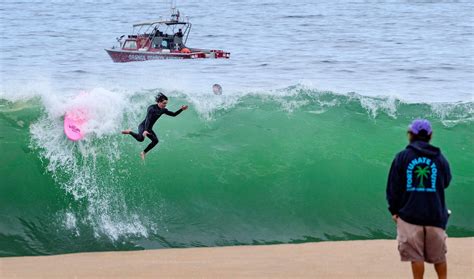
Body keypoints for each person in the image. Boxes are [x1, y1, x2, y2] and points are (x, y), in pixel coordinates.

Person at [386, 119, 452, 279]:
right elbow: (446, 182)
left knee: (416, 257)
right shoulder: (440, 158)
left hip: (410, 215)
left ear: (410, 134)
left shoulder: (402, 157)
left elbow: (393, 187)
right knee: (439, 256)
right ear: (430, 135)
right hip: (435, 215)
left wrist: (394, 210)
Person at [122, 93, 188, 160]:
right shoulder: (151, 108)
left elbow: (173, 114)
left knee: (155, 141)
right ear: (159, 102)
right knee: (141, 139)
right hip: (143, 126)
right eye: (164, 103)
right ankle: (129, 131)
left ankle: (143, 152)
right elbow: (148, 119)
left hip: (149, 128)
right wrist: (145, 130)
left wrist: (181, 109)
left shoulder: (163, 110)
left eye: (166, 103)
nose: (165, 105)